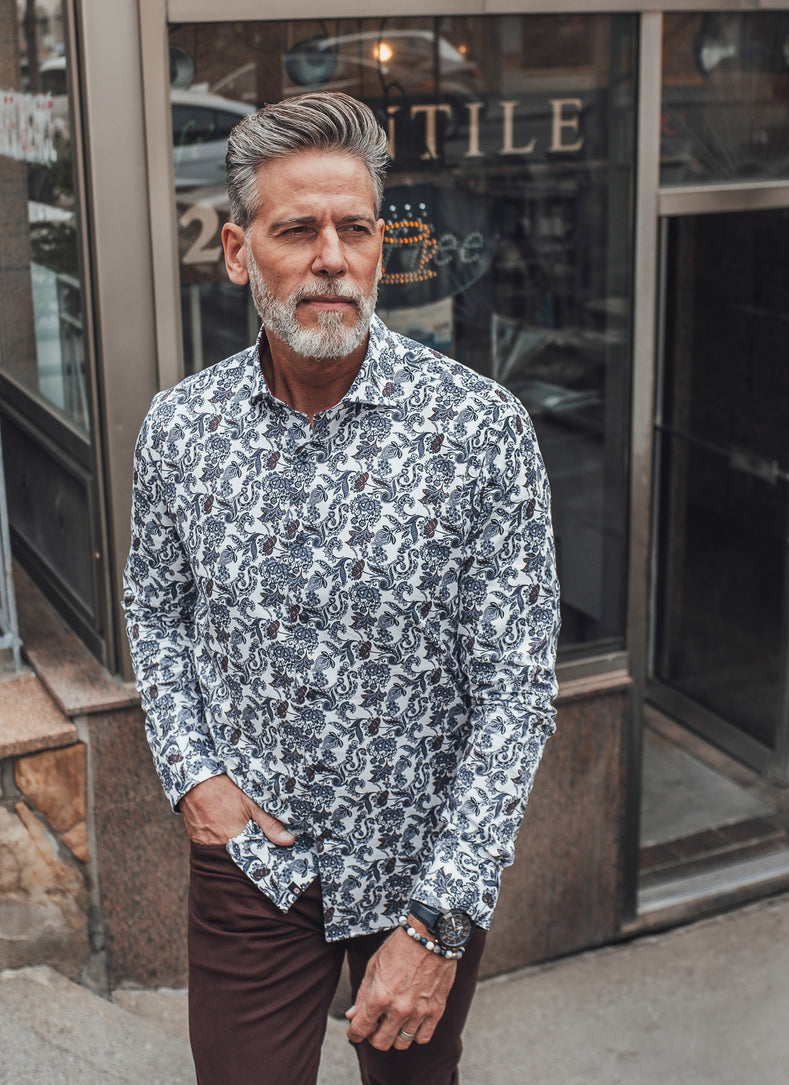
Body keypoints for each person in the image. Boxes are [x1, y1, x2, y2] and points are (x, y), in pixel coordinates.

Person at [123, 91, 559, 1085]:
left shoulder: (479, 429)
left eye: (354, 229)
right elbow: (154, 607)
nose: (331, 257)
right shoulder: (180, 430)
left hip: (421, 871)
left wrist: (441, 921)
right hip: (251, 864)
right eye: (297, 230)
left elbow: (515, 690)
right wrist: (193, 776)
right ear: (238, 252)